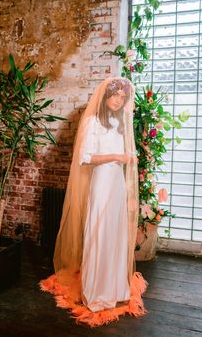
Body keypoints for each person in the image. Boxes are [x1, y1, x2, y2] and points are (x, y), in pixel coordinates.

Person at [39, 77, 149, 327]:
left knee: (115, 234)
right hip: (101, 182)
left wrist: (127, 156)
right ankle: (97, 292)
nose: (119, 100)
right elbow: (85, 157)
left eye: (123, 97)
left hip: (117, 185)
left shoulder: (120, 123)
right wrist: (117, 156)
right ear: (105, 96)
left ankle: (116, 290)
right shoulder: (92, 122)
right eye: (115, 96)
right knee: (99, 233)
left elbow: (123, 150)